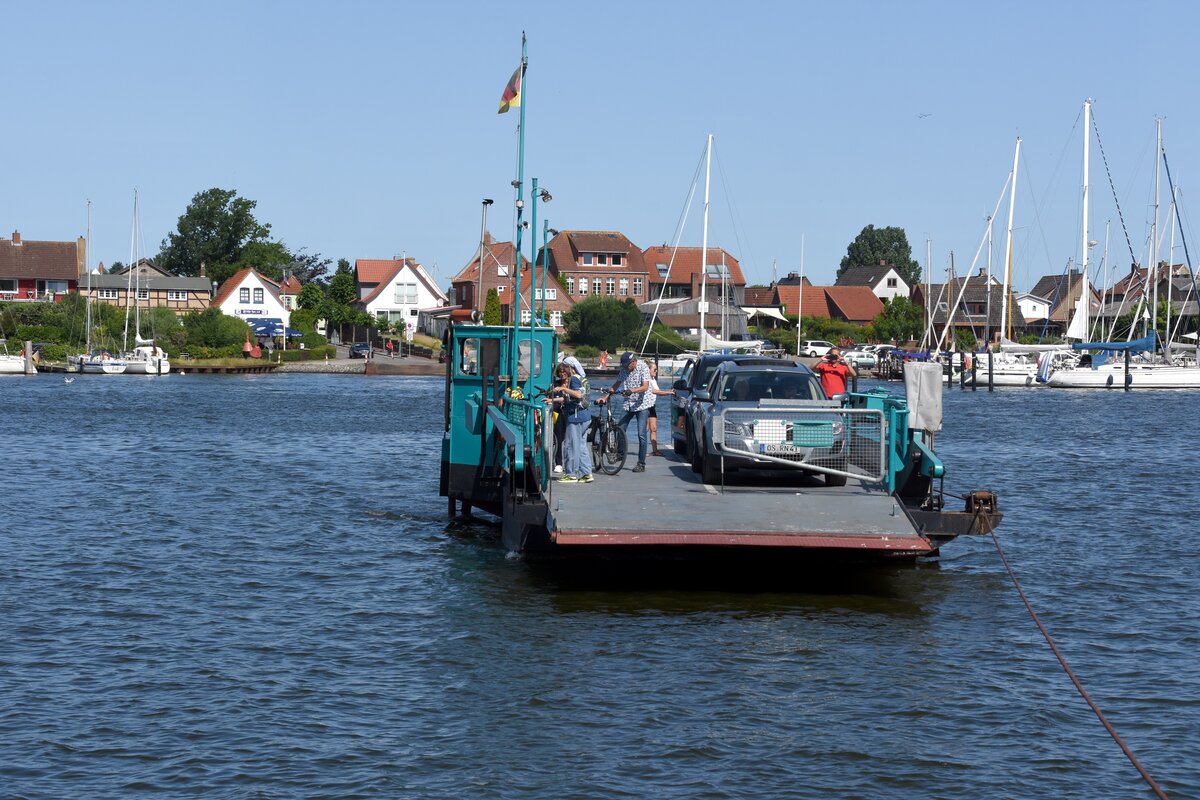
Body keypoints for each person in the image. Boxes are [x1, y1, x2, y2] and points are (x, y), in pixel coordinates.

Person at [548, 363, 592, 484]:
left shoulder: (574, 379)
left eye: (565, 369)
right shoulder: (582, 378)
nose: (564, 372)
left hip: (575, 416)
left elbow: (578, 394)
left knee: (571, 445)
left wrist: (563, 388)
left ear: (571, 368)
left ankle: (571, 474)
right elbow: (569, 398)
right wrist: (552, 399)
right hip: (585, 416)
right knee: (582, 446)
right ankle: (587, 473)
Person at [608, 351, 652, 472]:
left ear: (634, 362)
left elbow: (645, 386)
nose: (626, 368)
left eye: (627, 365)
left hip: (642, 404)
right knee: (620, 428)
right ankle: (620, 454)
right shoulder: (624, 370)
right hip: (629, 404)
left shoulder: (643, 367)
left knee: (641, 434)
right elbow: (616, 384)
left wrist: (632, 390)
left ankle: (641, 463)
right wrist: (606, 396)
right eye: (624, 366)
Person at [645, 362, 674, 456]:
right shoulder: (646, 380)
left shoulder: (653, 380)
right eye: (654, 369)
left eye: (656, 369)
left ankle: (655, 450)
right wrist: (668, 392)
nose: (656, 371)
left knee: (654, 429)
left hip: (652, 406)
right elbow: (654, 391)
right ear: (648, 370)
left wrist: (668, 392)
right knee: (645, 429)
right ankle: (643, 451)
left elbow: (658, 391)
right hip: (644, 406)